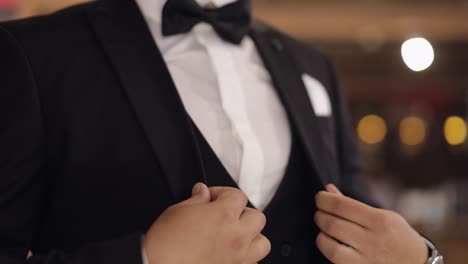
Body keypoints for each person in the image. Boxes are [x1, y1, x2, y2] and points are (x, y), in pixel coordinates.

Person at [0, 0, 441, 263]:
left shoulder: (313, 65)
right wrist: (147, 259)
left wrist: (424, 259)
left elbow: (361, 222)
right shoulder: (32, 54)